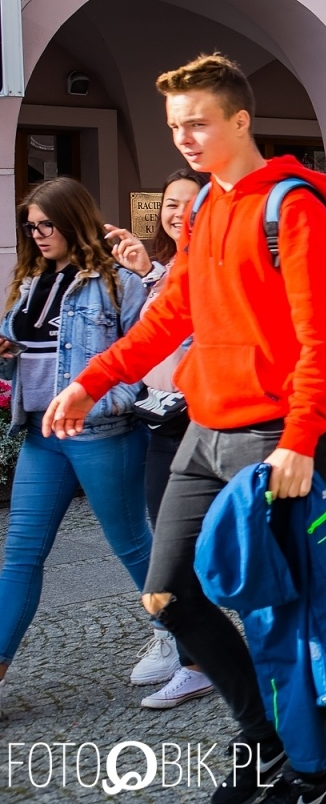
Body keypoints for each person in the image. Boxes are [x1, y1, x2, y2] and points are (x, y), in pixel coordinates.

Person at [44, 53, 326, 803]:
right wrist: (91, 380)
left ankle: (308, 774)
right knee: (168, 594)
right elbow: (167, 319)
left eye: (198, 122)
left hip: (267, 437)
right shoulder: (209, 208)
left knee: (273, 611)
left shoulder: (292, 207)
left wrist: (301, 438)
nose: (184, 135)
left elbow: (324, 339)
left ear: (239, 121)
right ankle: (265, 741)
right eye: (176, 125)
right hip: (201, 431)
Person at [0, 179, 149, 718]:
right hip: (42, 434)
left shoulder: (115, 284)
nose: (38, 235)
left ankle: (192, 647)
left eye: (48, 224)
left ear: (73, 220)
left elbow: (145, 356)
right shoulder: (28, 281)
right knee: (20, 553)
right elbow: (24, 354)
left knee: (133, 547)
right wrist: (6, 353)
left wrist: (108, 403)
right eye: (31, 226)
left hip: (99, 433)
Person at [103, 167, 217, 711]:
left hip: (212, 424)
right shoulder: (161, 270)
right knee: (169, 549)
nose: (177, 213)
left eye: (188, 204)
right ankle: (193, 656)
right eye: (170, 204)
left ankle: (221, 657)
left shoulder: (213, 265)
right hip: (163, 422)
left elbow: (191, 329)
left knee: (222, 550)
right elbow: (147, 341)